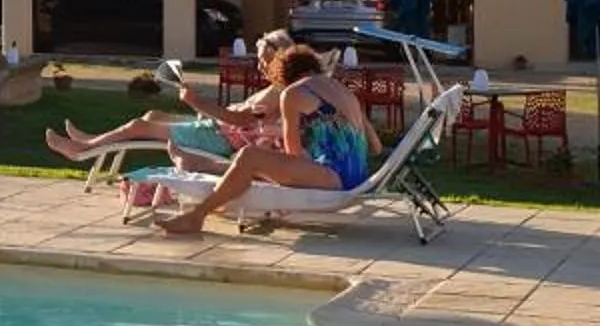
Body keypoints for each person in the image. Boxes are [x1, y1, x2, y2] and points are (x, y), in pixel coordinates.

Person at [148, 47, 379, 236]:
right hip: (355, 176)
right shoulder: (345, 92)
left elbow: (294, 154)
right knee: (253, 163)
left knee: (251, 156)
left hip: (334, 178)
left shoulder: (293, 93)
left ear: (286, 77)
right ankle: (202, 169)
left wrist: (271, 144)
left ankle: (196, 216)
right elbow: (375, 147)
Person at [47, 29, 303, 169]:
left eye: (262, 59)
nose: (257, 63)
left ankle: (84, 148)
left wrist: (196, 102)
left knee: (139, 125)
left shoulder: (277, 93)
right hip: (219, 130)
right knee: (153, 116)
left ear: (277, 58)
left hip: (220, 139)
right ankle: (91, 140)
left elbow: (238, 119)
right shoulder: (277, 88)